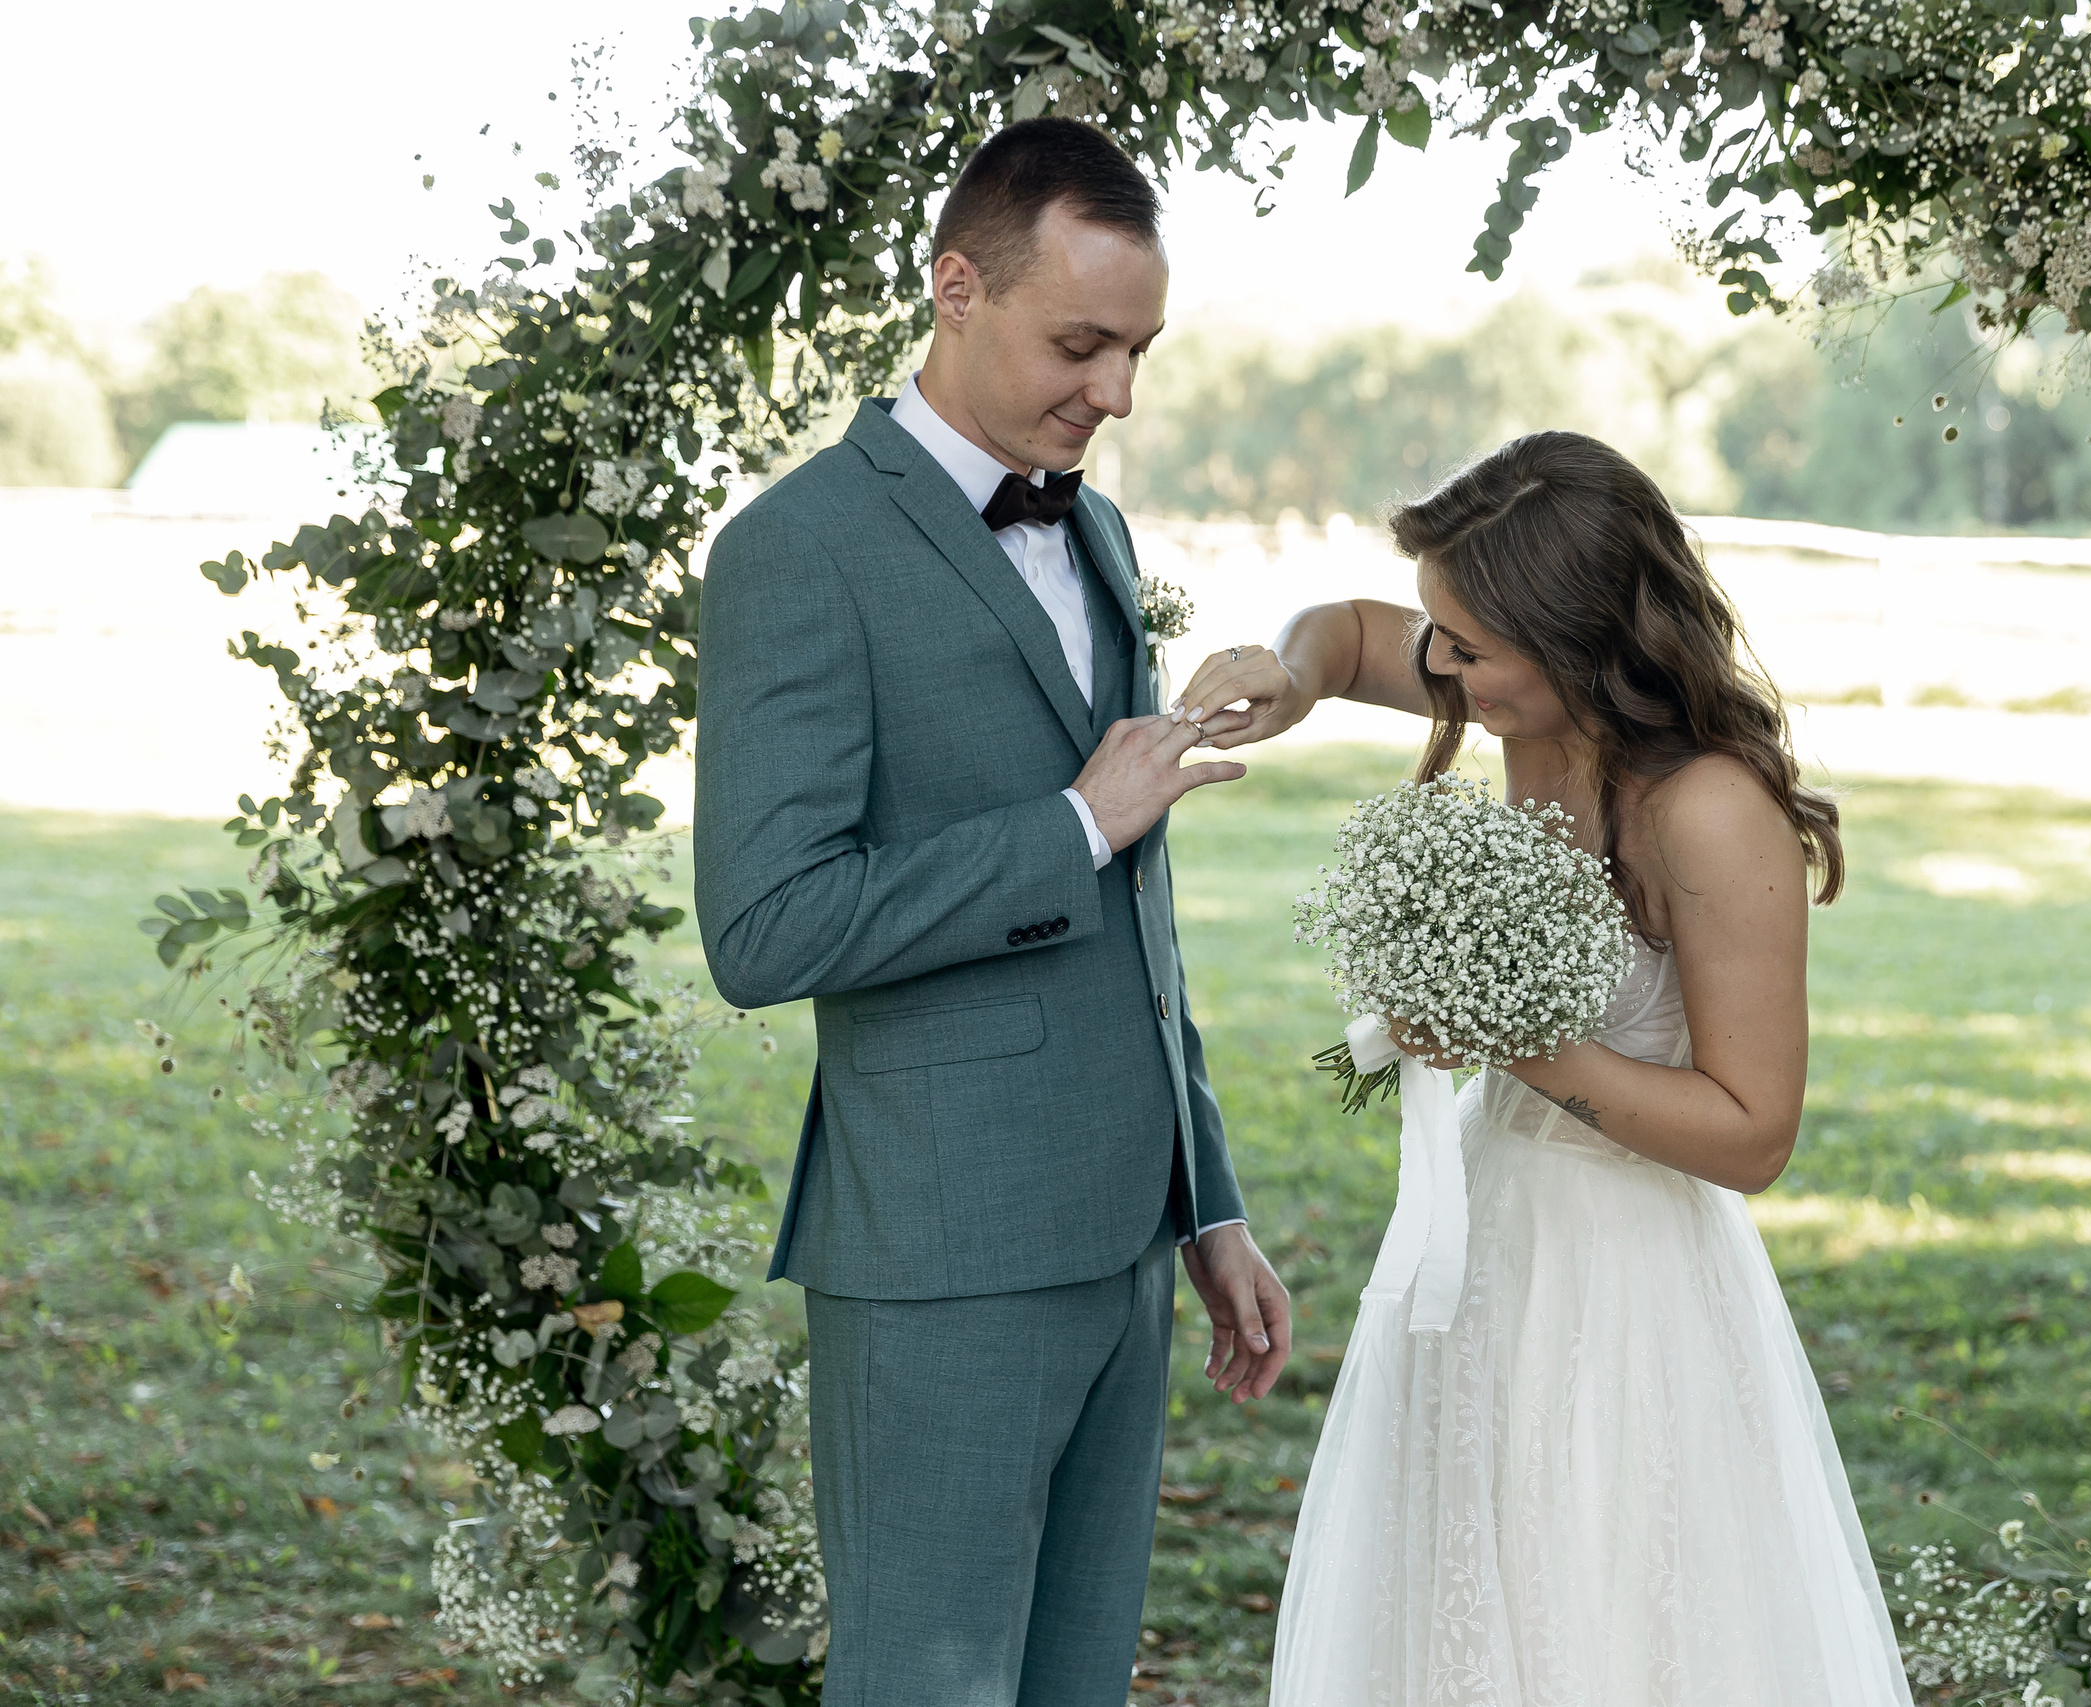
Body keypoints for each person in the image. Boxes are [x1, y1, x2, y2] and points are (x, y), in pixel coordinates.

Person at [691, 117, 1291, 1706]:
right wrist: (1072, 822)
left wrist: (1205, 1197)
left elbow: (1138, 916)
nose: (1118, 393)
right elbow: (764, 926)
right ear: (956, 287)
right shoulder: (794, 551)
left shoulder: (1088, 522)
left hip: (1125, 1241)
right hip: (940, 1253)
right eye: (1081, 343)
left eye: (1141, 349)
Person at [1174, 432, 1911, 1704]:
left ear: (1575, 645)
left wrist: (1514, 1036)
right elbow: (1347, 635)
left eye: (1465, 646)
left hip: (1624, 1278)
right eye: (1439, 635)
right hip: (1488, 1234)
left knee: (1602, 1604)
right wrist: (1292, 680)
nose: (1438, 665)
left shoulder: (1704, 810)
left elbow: (1753, 1134)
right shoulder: (1512, 690)